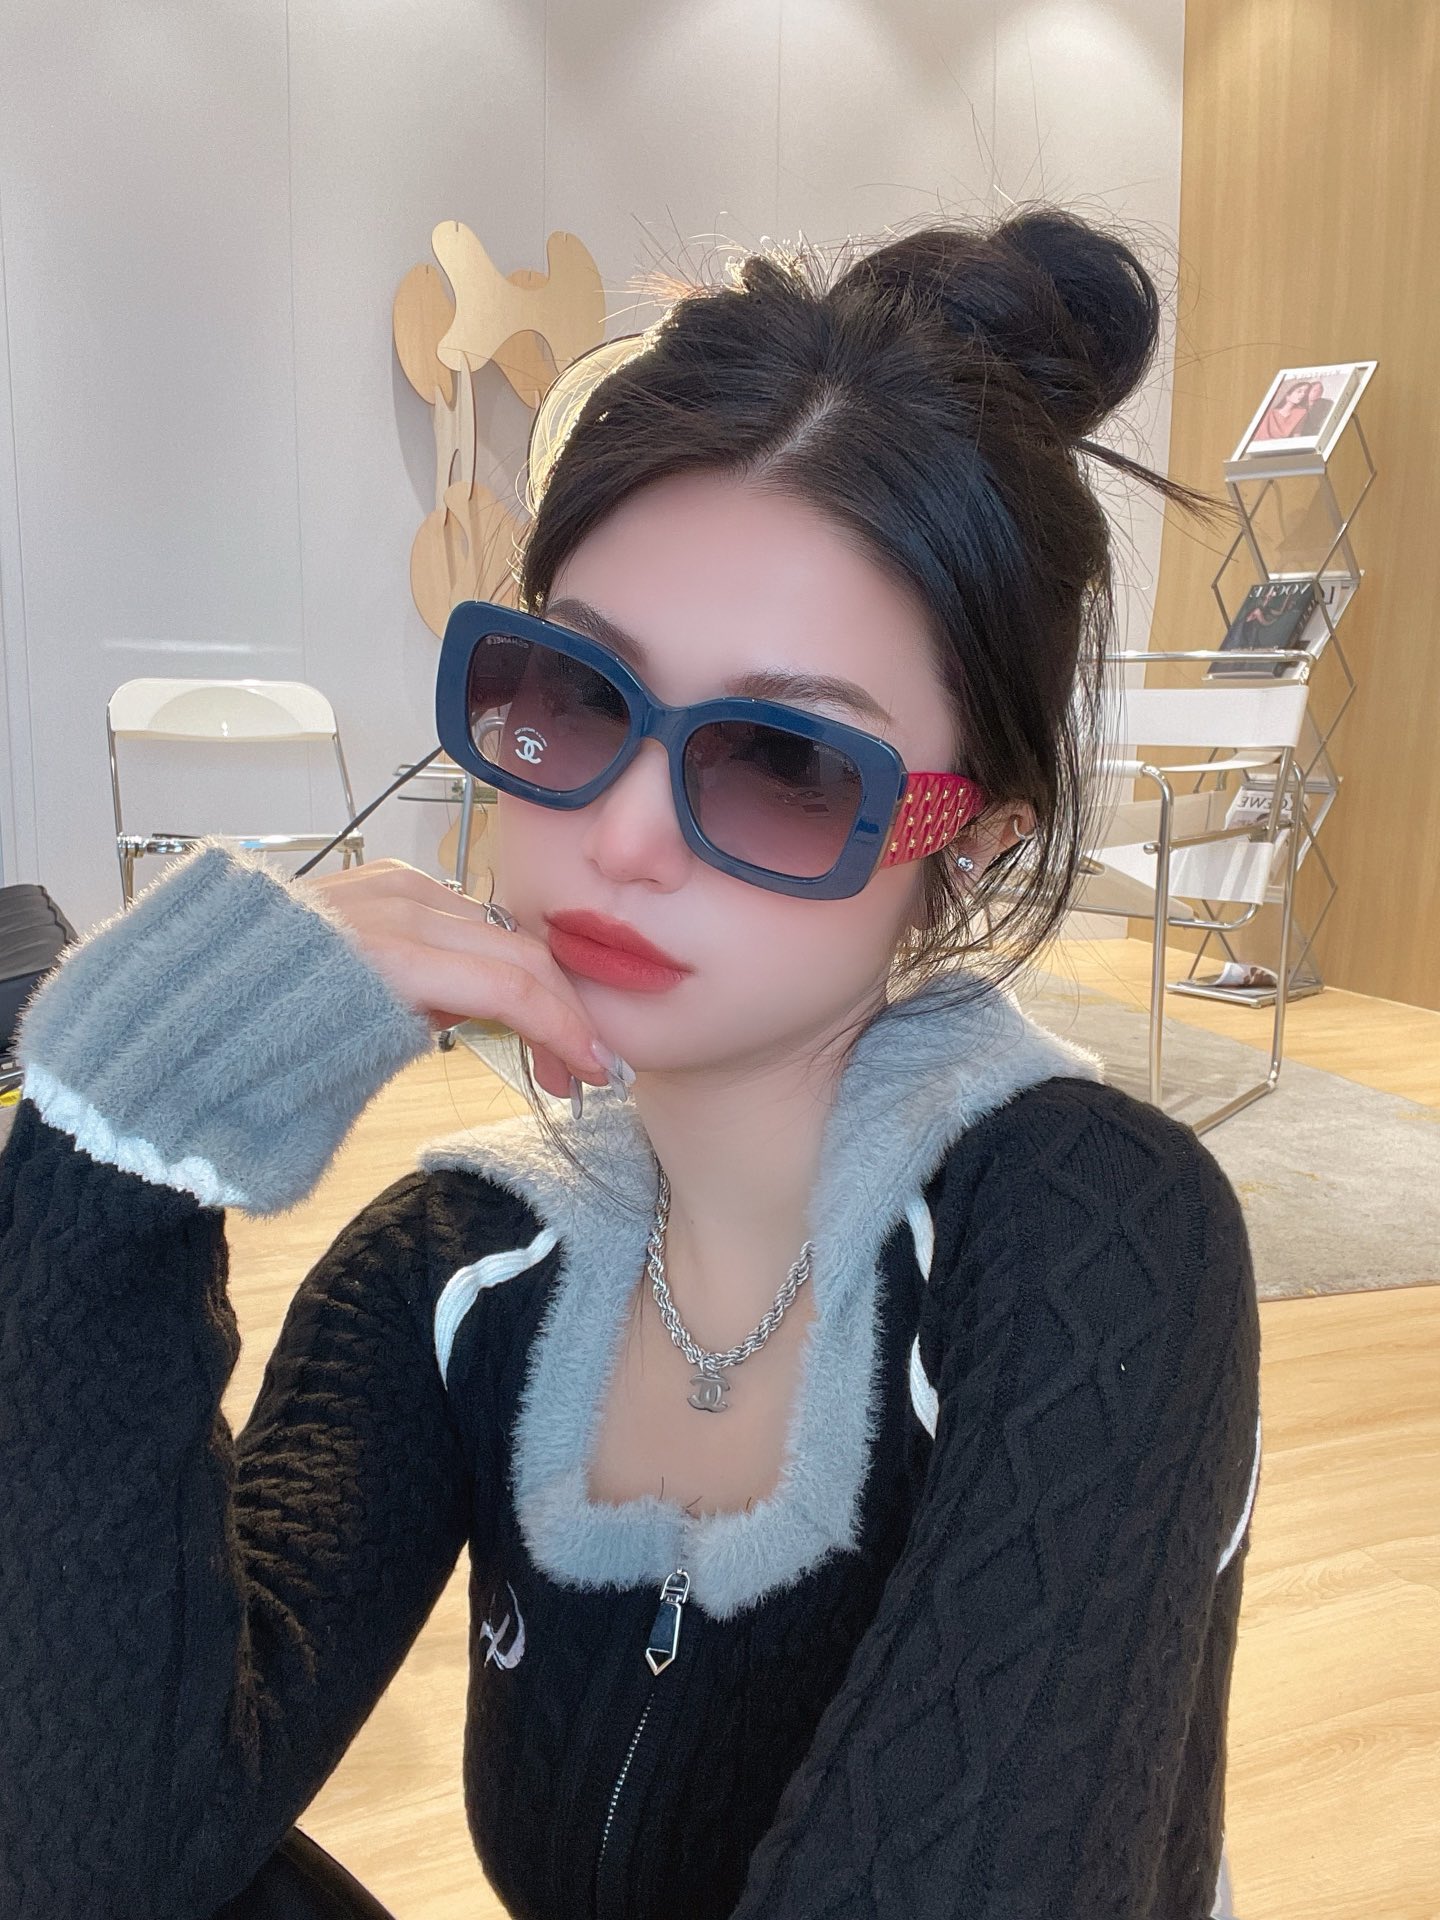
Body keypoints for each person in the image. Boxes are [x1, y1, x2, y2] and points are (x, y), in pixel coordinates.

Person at [0, 205, 1260, 1920]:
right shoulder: (457, 1270)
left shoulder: (1088, 1235)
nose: (623, 833)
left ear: (969, 843)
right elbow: (90, 1855)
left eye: (785, 763)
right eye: (580, 695)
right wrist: (117, 1142)